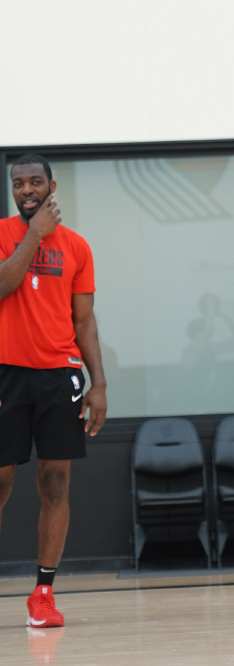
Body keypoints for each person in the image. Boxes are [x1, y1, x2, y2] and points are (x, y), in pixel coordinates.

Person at [0, 154, 107, 627]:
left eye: (35, 181)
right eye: (18, 183)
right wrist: (35, 234)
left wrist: (99, 383)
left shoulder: (77, 247)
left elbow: (84, 321)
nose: (26, 190)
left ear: (51, 186)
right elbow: (3, 285)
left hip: (59, 374)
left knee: (55, 482)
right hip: (6, 372)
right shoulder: (3, 233)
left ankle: (43, 593)